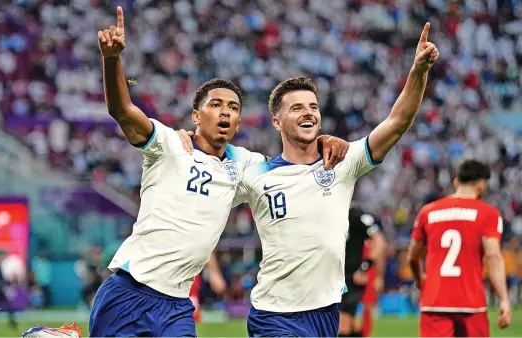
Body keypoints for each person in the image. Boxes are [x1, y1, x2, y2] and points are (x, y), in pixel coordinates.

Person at [90, 7, 349, 337]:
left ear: (239, 123)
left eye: (233, 108)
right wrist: (112, 60)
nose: (225, 111)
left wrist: (321, 139)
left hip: (178, 305)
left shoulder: (244, 165)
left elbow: (292, 166)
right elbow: (122, 111)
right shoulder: (169, 145)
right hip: (130, 292)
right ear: (196, 116)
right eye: (216, 105)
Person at [231, 22, 439, 337]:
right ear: (276, 121)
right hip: (274, 313)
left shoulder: (341, 165)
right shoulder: (256, 172)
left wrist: (418, 72)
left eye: (313, 107)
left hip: (326, 313)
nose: (308, 112)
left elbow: (397, 123)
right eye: (297, 107)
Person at [407, 159, 512, 337]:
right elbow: (493, 256)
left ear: (456, 182)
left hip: (434, 302)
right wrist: (503, 299)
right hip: (471, 303)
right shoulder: (488, 213)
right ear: (481, 184)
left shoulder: (428, 212)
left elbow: (412, 256)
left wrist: (419, 279)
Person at [338, 207, 386, 337]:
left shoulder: (355, 215)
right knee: (350, 323)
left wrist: (365, 267)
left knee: (342, 324)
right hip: (339, 276)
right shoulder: (330, 214)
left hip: (350, 277)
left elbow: (380, 242)